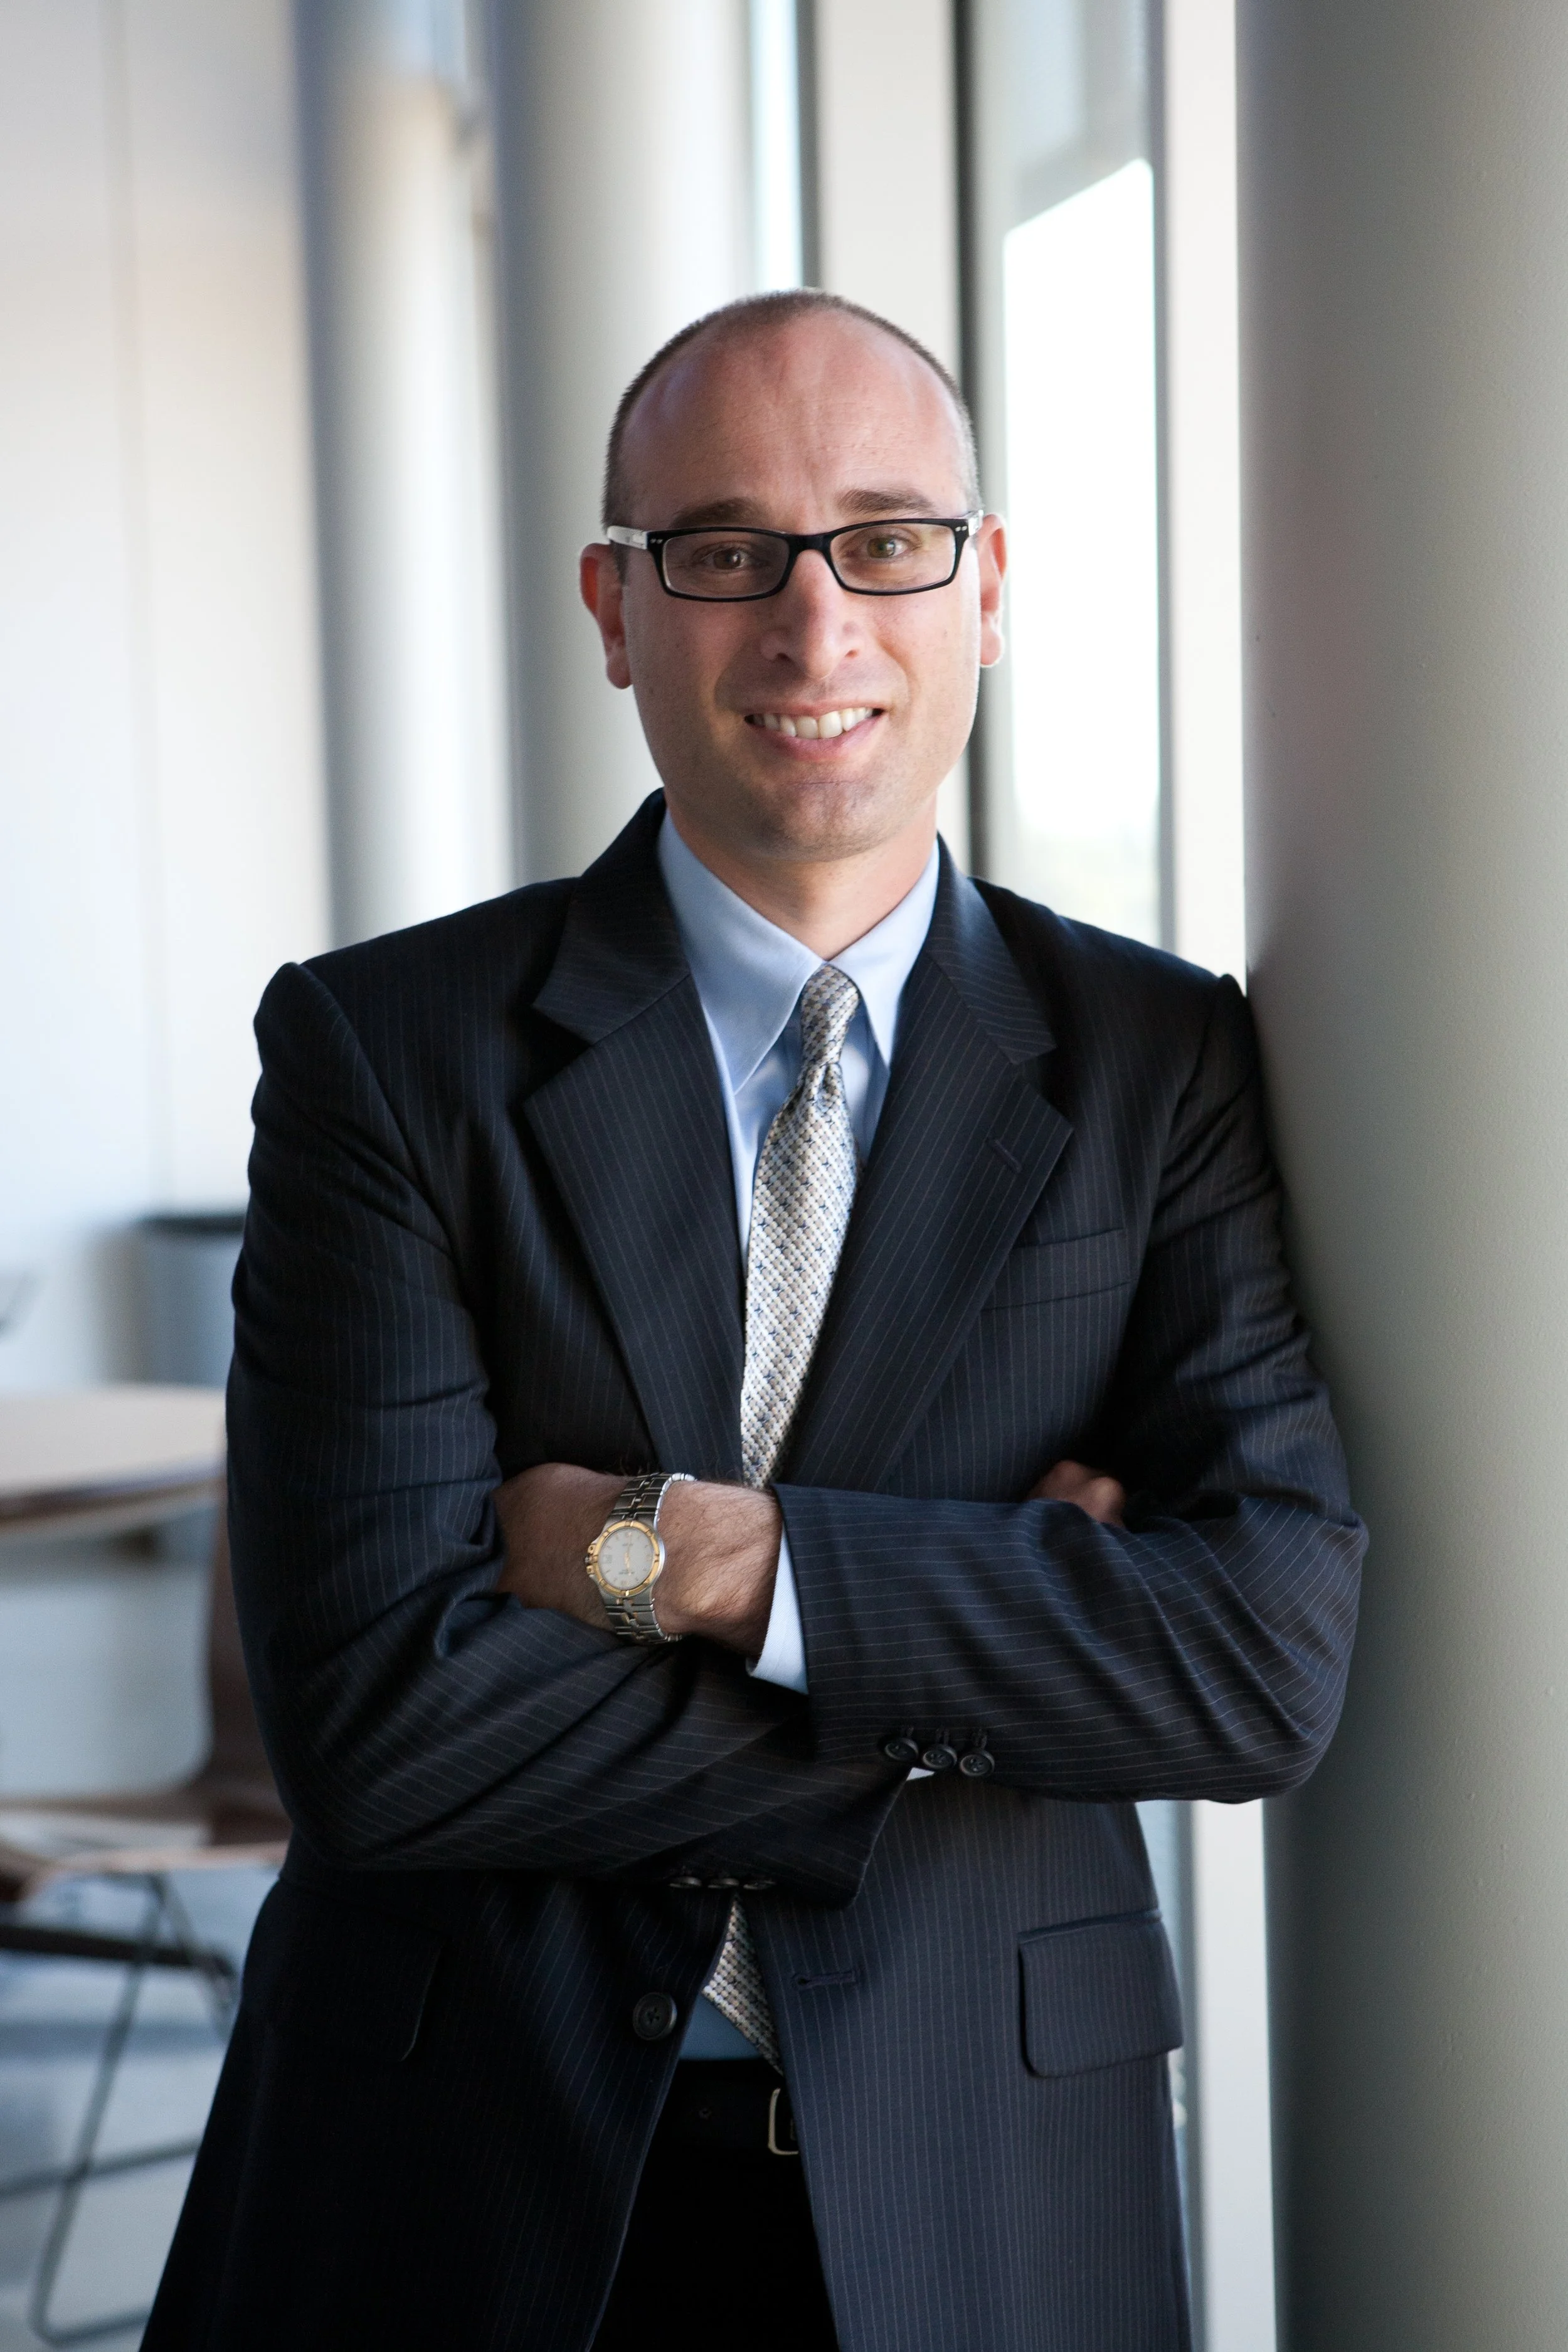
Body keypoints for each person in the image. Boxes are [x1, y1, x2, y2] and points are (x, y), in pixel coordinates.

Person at [145, 289, 1362, 2352]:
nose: (814, 632)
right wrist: (982, 1660)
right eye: (723, 551)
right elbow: (371, 1724)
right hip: (459, 2176)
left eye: (884, 539)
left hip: (986, 2183)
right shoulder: (388, 1047)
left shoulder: (1161, 1061)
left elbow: (1253, 1661)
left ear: (986, 587)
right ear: (617, 607)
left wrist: (688, 1558)